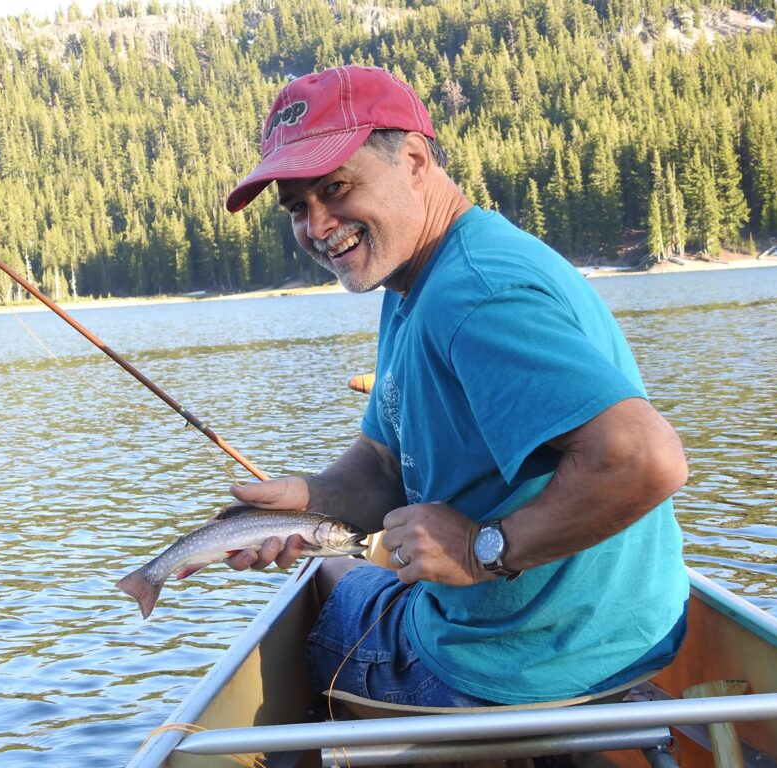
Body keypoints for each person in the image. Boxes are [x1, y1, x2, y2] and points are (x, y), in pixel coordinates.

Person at [221, 65, 689, 707]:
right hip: (622, 632)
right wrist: (309, 498)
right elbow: (386, 461)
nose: (319, 224)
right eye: (299, 207)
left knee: (325, 597)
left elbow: (645, 460)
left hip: (515, 660)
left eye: (336, 188)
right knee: (338, 561)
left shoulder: (475, 294)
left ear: (413, 158)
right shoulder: (417, 275)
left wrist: (482, 549)